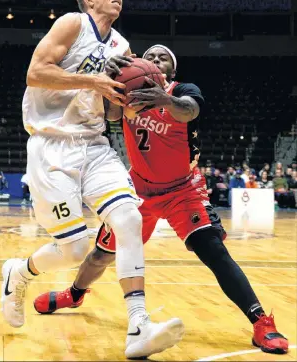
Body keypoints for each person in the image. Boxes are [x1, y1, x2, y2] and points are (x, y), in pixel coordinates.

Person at [34, 45, 288, 355]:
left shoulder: (182, 90)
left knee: (213, 251)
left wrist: (164, 99)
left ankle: (261, 321)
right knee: (100, 256)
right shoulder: (126, 93)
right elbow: (111, 114)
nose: (155, 59)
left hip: (183, 189)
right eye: (150, 55)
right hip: (138, 190)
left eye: (162, 57)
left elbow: (190, 110)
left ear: (171, 69)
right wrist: (108, 75)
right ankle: (74, 294)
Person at [0, 0, 183, 359]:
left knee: (129, 219)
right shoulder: (72, 24)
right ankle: (20, 271)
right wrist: (94, 80)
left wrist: (130, 93)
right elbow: (35, 73)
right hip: (52, 145)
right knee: (73, 248)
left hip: (95, 143)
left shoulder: (122, 44)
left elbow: (115, 114)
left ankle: (138, 326)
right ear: (89, 0)